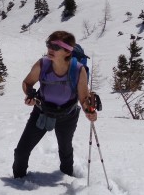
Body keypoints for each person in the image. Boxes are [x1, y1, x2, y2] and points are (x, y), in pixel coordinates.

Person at [12, 31, 97, 179]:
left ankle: (68, 177)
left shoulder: (78, 70)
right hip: (42, 113)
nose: (50, 49)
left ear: (67, 51)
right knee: (21, 151)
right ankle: (18, 180)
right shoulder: (42, 64)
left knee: (65, 149)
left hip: (68, 116)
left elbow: (83, 98)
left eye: (55, 47)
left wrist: (89, 111)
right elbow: (27, 83)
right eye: (49, 45)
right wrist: (30, 94)